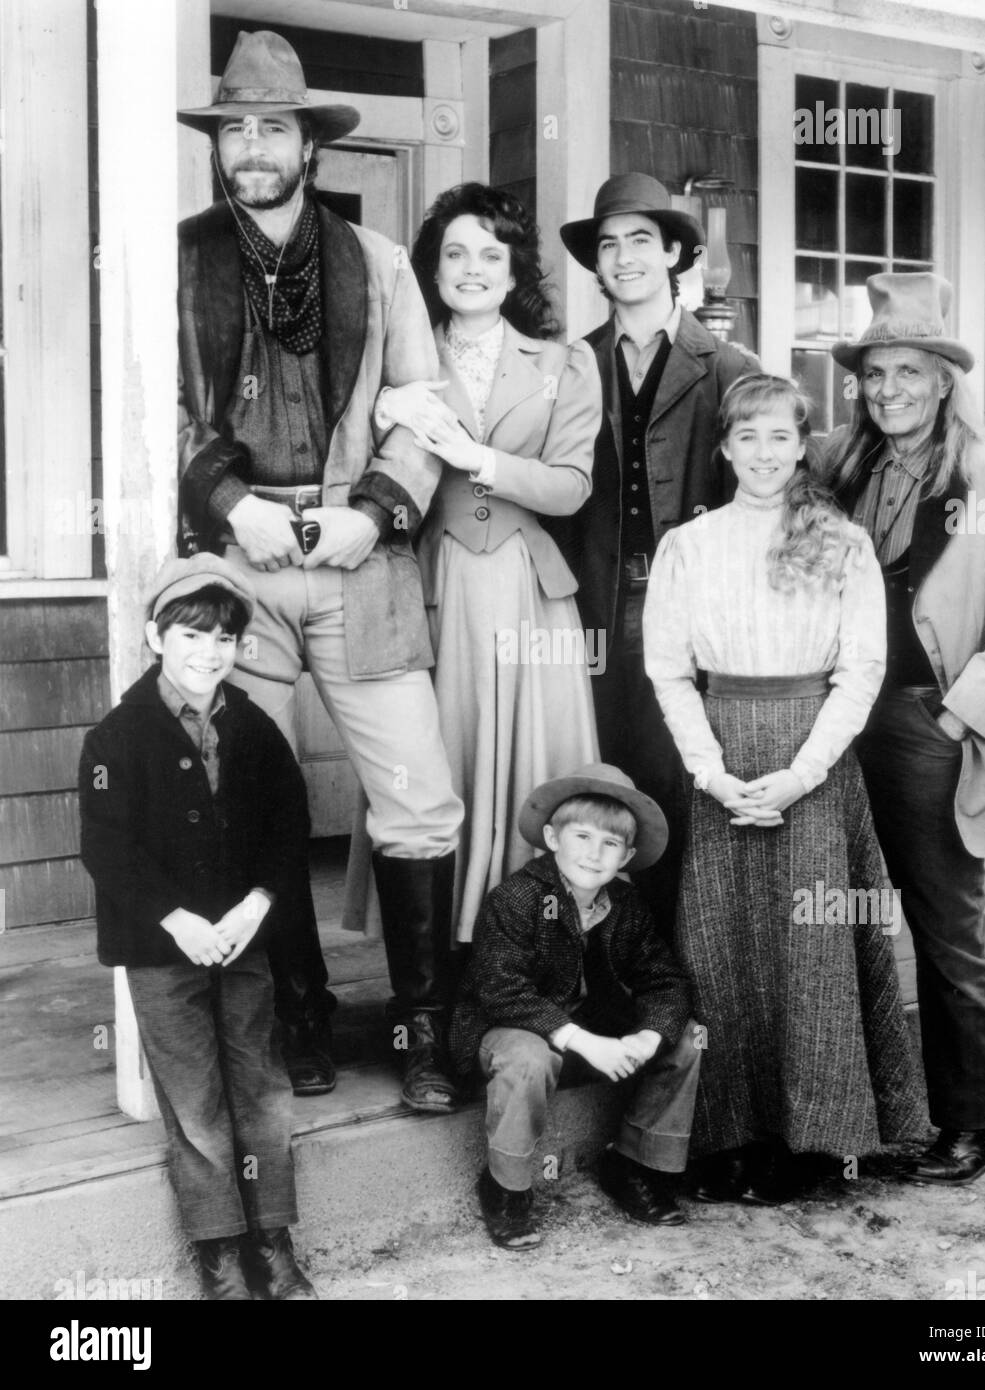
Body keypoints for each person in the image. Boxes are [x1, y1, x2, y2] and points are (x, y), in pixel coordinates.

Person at [176, 30, 464, 1111]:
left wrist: (378, 509)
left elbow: (422, 412)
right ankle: (297, 1012)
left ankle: (422, 1027)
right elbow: (156, 412)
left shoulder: (377, 263)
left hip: (357, 555)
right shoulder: (183, 257)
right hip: (235, 562)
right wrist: (232, 503)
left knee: (416, 795)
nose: (252, 146)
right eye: (235, 128)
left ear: (308, 143)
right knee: (248, 794)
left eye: (273, 128)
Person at [644, 373, 925, 1205]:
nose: (763, 454)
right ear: (725, 446)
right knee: (722, 949)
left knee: (815, 947)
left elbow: (862, 667)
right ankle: (730, 1135)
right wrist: (712, 771)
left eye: (780, 437)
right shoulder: (688, 547)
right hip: (724, 758)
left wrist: (804, 773)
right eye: (747, 436)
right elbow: (667, 670)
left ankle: (819, 1139)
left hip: (814, 760)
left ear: (802, 445)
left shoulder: (840, 542)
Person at [825, 273, 985, 1184]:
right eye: (874, 374)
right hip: (842, 719)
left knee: (944, 924)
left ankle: (974, 1122)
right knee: (839, 914)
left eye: (908, 374)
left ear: (943, 380)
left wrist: (957, 715)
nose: (888, 390)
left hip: (930, 720)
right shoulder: (843, 464)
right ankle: (861, 1113)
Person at [345, 183, 602, 943]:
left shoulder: (565, 364)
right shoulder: (398, 355)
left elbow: (573, 486)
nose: (472, 268)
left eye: (492, 254)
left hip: (529, 587)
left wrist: (478, 457)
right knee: (429, 755)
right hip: (431, 579)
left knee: (533, 764)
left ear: (517, 272)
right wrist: (382, 409)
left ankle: (529, 945)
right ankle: (438, 965)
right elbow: (356, 457)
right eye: (455, 253)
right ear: (434, 269)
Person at [78, 555, 316, 1300]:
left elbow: (288, 826)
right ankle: (218, 1250)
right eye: (190, 635)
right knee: (194, 1100)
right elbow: (107, 847)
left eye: (223, 639)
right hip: (163, 947)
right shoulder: (117, 738)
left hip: (241, 942)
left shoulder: (253, 727)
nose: (208, 653)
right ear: (156, 636)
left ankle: (271, 1240)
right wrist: (178, 919)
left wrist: (254, 906)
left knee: (259, 1085)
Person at [552, 174, 760, 939]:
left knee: (684, 784)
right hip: (597, 608)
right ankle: (612, 960)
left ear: (675, 252)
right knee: (608, 783)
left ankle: (684, 972)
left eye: (641, 239)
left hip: (691, 616)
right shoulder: (573, 365)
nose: (623, 256)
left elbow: (765, 500)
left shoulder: (728, 366)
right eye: (608, 244)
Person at [449, 764, 702, 1249]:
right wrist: (586, 1043)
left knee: (687, 1036)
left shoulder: (625, 905)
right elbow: (503, 992)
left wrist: (648, 1037)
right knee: (527, 1058)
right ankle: (507, 1187)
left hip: (588, 1033)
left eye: (610, 844)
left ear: (627, 854)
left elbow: (664, 980)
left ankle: (632, 1164)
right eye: (581, 836)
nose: (593, 853)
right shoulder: (517, 898)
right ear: (551, 837)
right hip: (510, 1028)